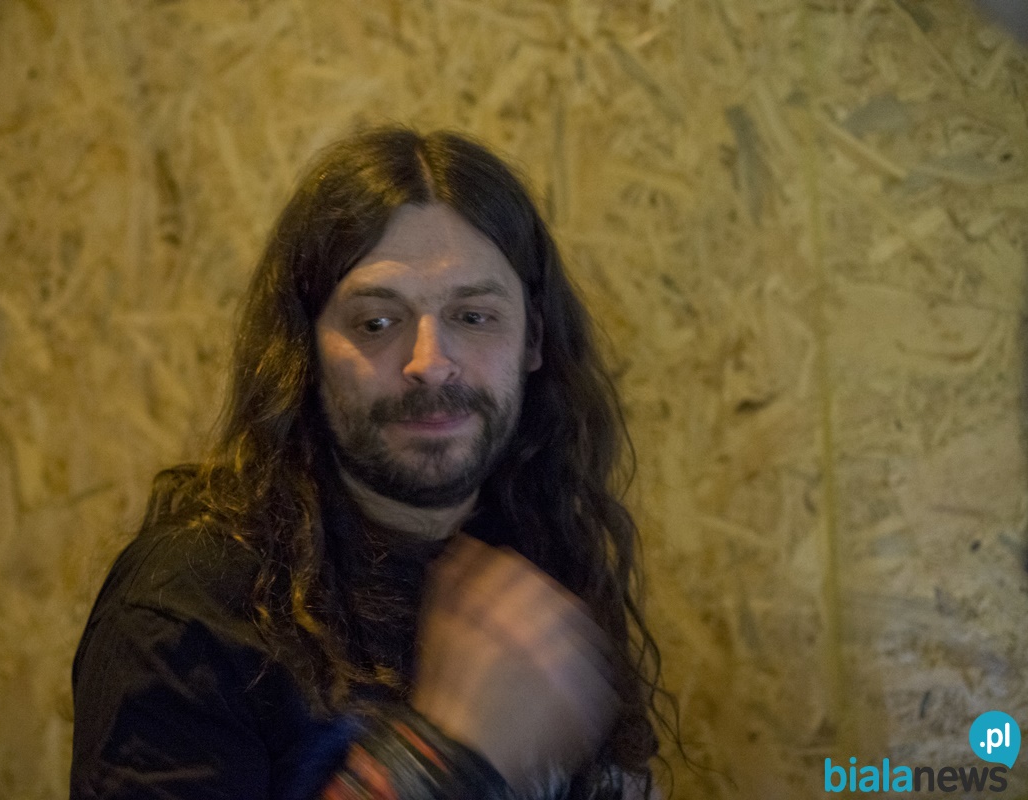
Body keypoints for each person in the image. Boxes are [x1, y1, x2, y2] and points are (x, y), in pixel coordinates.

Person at [70, 127, 665, 799]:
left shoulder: (545, 549)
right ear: (305, 351)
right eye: (376, 323)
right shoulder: (187, 607)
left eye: (473, 316)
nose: (429, 363)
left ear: (533, 339)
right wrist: (447, 758)